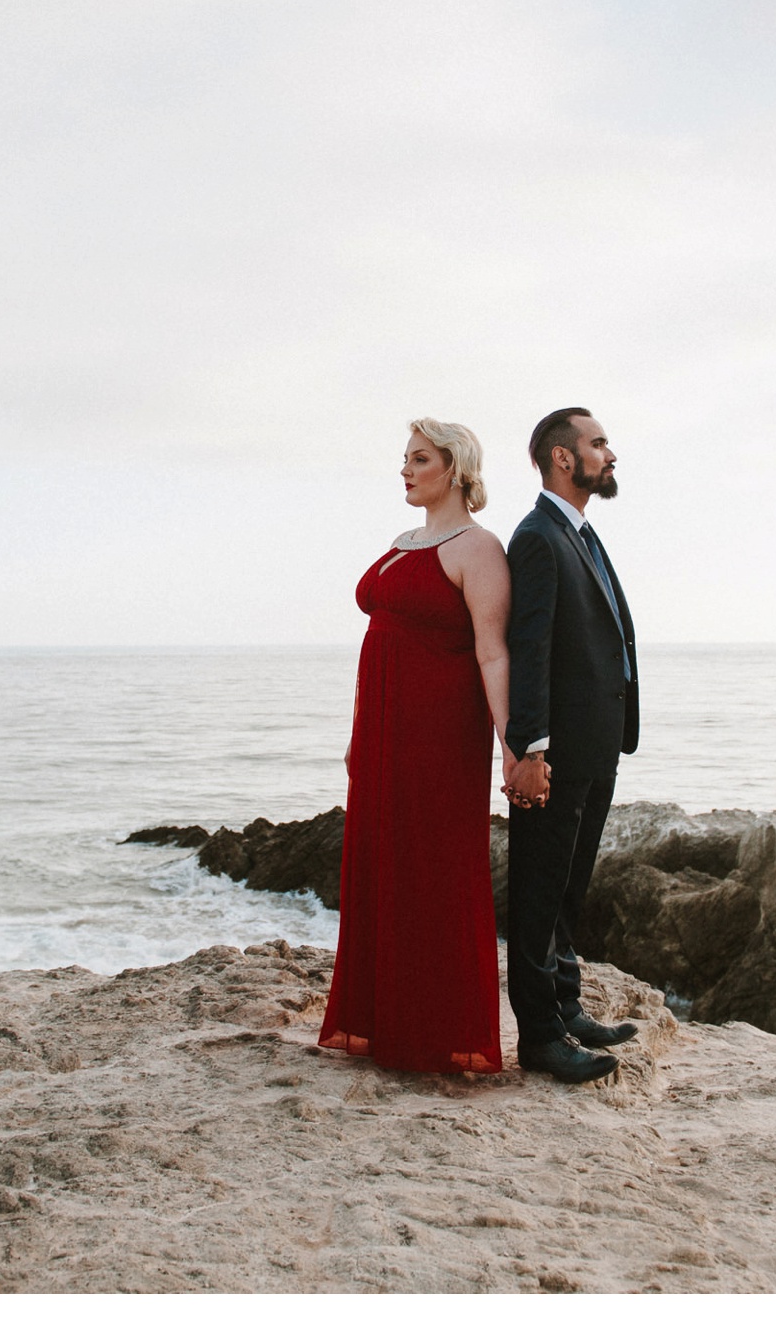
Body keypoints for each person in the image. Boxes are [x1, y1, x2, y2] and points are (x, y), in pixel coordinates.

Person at [317, 418, 519, 1074]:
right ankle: (382, 1022)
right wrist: (357, 738)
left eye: (419, 459)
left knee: (435, 868)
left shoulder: (478, 548)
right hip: (381, 736)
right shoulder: (403, 542)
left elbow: (492, 653)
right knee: (382, 866)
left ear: (455, 468)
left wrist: (515, 745)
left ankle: (437, 1033)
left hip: (439, 736)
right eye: (404, 459)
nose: (405, 470)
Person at [502, 408, 641, 1084]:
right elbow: (528, 649)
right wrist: (530, 748)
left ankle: (566, 1005)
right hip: (554, 758)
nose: (609, 454)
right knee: (537, 895)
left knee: (567, 893)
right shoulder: (536, 538)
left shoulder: (579, 532)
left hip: (596, 747)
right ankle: (540, 1038)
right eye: (598, 444)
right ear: (563, 458)